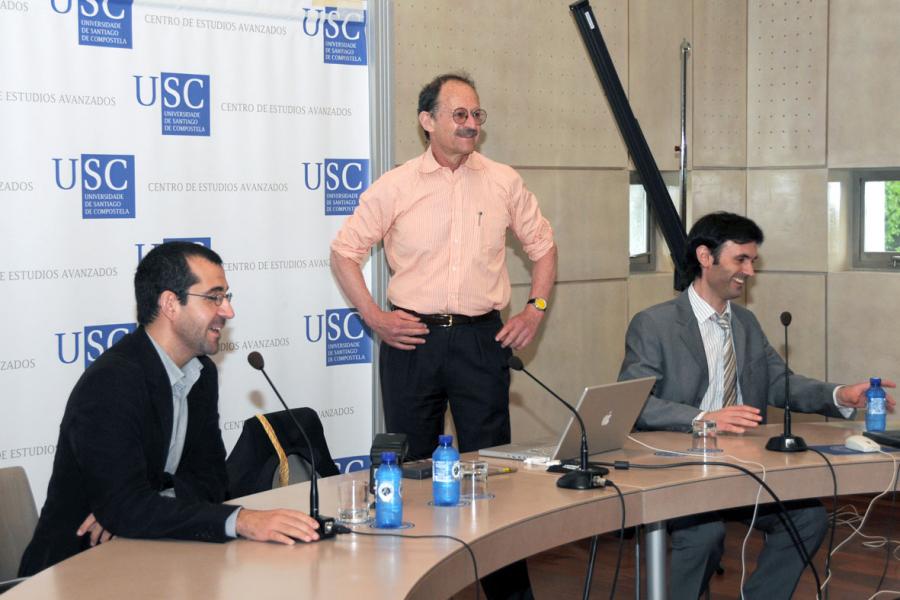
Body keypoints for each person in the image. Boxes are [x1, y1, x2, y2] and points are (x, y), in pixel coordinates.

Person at [331, 72, 555, 600]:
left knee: (495, 474)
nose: (471, 124)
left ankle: (507, 594)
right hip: (411, 340)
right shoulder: (396, 184)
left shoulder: (503, 180)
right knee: (408, 473)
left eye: (477, 115)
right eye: (459, 115)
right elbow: (344, 253)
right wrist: (373, 316)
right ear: (426, 121)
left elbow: (544, 248)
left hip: (482, 340)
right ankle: (411, 587)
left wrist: (535, 309)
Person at [618, 211, 895, 599]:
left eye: (753, 262)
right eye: (741, 260)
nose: (749, 271)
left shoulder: (745, 322)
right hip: (679, 467)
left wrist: (840, 395)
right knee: (703, 534)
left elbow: (781, 384)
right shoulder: (654, 324)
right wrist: (703, 418)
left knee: (808, 519)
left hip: (743, 465)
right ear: (705, 256)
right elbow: (636, 403)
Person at [20, 242, 321, 577]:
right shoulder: (112, 382)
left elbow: (212, 482)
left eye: (227, 297)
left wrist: (146, 503)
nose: (228, 312)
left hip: (154, 558)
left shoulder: (201, 373)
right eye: (214, 297)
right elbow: (126, 507)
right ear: (169, 304)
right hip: (73, 571)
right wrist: (241, 520)